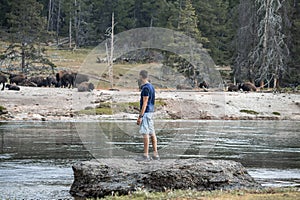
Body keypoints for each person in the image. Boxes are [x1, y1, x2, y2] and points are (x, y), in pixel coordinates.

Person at [136, 70, 159, 161]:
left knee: (145, 133)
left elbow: (145, 102)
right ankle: (155, 154)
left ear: (141, 76)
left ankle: (145, 155)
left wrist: (140, 116)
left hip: (146, 113)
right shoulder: (151, 87)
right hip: (151, 112)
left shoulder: (145, 88)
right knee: (152, 133)